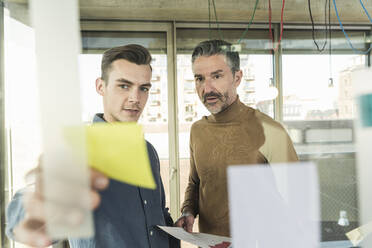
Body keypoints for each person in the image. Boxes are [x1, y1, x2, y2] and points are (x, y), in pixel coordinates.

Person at [6, 44, 180, 248]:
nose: (135, 98)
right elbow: (22, 217)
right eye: (124, 86)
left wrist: (175, 229)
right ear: (100, 86)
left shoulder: (148, 151)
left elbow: (155, 214)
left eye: (143, 88)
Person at [175, 40, 299, 237]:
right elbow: (196, 182)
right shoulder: (197, 130)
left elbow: (296, 197)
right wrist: (188, 211)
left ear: (237, 77)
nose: (207, 89)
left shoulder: (270, 131)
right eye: (199, 78)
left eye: (216, 76)